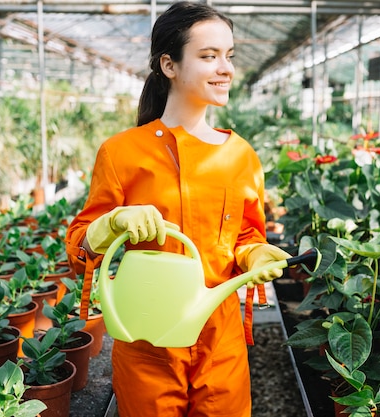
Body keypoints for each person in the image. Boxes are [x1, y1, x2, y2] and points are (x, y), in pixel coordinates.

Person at [65, 2, 291, 416]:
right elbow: (80, 249)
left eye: (229, 56)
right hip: (146, 335)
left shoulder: (240, 155)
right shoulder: (122, 152)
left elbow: (246, 235)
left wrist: (256, 253)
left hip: (220, 335)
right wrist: (111, 225)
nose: (225, 68)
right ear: (169, 65)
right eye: (209, 56)